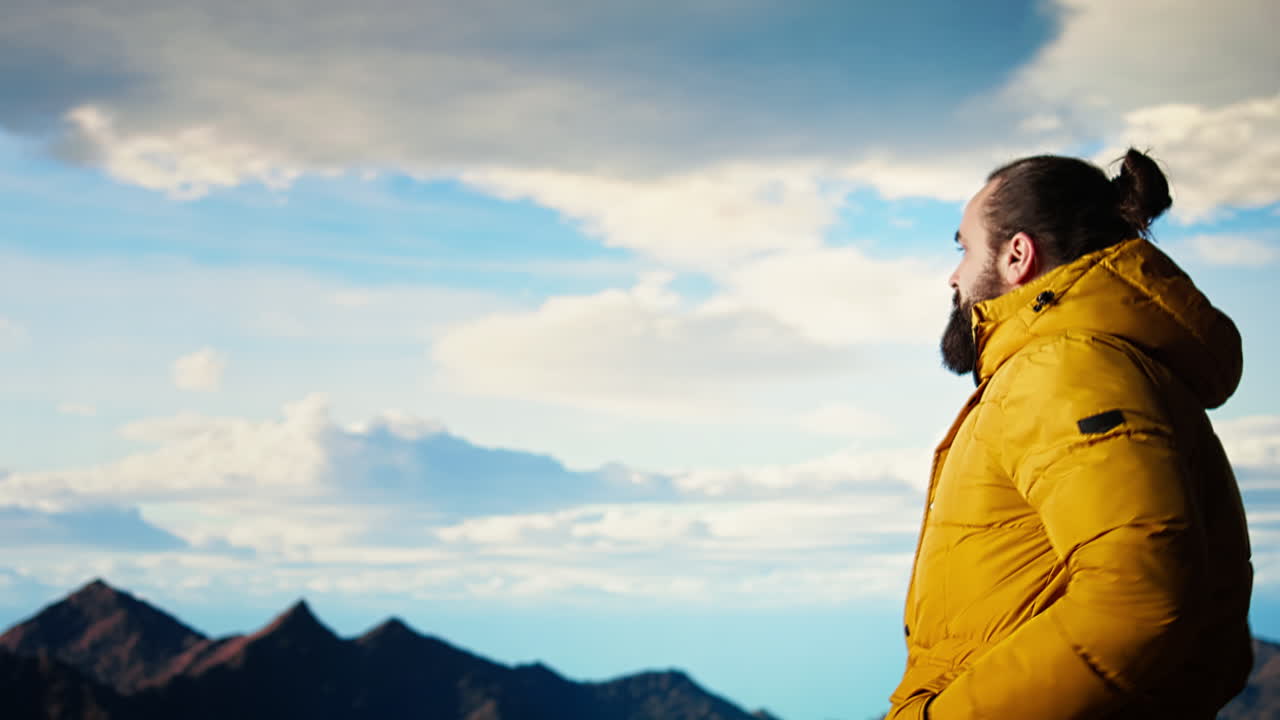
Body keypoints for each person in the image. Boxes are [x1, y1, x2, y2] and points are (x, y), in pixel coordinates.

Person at [886, 149, 1254, 719]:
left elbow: (1137, 598)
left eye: (964, 248)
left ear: (1017, 256)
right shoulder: (1100, 362)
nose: (953, 275)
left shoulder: (1062, 367)